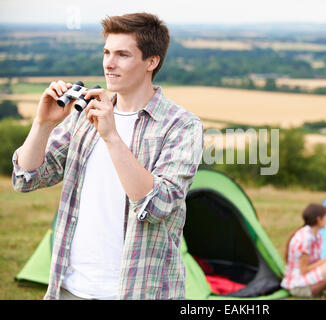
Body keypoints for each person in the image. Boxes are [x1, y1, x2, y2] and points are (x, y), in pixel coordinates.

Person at [11, 12, 204, 300]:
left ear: (152, 62)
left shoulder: (181, 125)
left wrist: (112, 136)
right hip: (70, 287)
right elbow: (26, 179)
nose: (108, 64)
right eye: (106, 52)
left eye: (122, 55)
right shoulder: (83, 114)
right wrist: (43, 124)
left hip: (138, 290)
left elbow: (158, 207)